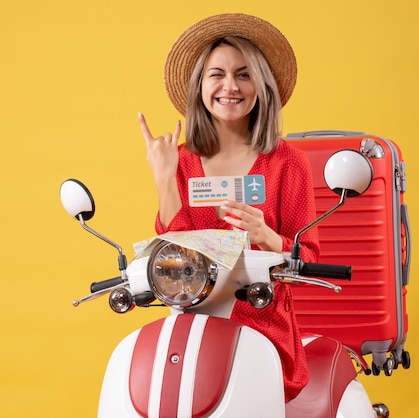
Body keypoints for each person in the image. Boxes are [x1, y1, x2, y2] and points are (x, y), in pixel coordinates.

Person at [138, 13, 320, 402]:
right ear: (199, 87)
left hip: (262, 324)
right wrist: (163, 177)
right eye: (216, 74)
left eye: (243, 74)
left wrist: (266, 236)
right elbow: (175, 252)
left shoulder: (288, 163)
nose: (229, 87)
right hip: (192, 323)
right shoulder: (180, 161)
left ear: (261, 85)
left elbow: (310, 259)